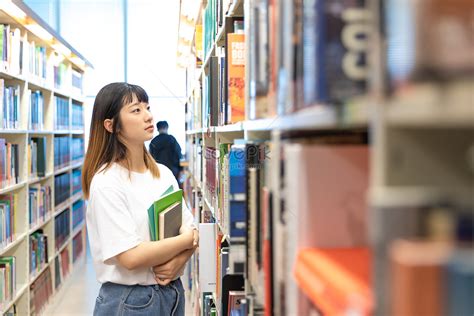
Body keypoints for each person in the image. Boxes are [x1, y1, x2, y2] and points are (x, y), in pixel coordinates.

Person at [82, 82, 198, 316]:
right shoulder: (107, 182)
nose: (148, 116)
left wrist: (179, 261)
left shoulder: (163, 173)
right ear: (111, 125)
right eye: (136, 110)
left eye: (147, 107)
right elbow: (131, 257)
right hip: (130, 302)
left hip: (172, 293)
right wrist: (185, 243)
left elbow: (191, 229)